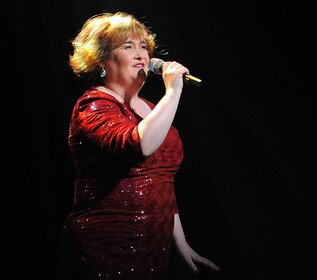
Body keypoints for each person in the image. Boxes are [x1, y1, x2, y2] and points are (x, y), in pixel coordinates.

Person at [59, 11, 221, 280]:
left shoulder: (149, 108)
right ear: (100, 60)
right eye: (128, 46)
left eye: (143, 46)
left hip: (154, 246)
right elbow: (138, 145)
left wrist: (180, 243)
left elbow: (162, 180)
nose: (141, 55)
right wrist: (174, 92)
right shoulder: (95, 106)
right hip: (106, 246)